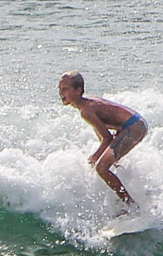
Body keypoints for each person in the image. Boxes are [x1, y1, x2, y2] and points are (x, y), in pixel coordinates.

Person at [58, 71, 147, 213]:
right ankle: (125, 201)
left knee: (101, 168)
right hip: (135, 123)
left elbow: (107, 138)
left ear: (78, 90)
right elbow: (102, 132)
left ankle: (132, 207)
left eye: (65, 89)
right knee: (108, 164)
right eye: (60, 89)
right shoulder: (88, 103)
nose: (61, 93)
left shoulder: (86, 111)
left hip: (133, 127)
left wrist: (94, 158)